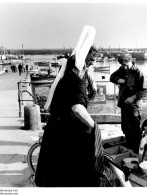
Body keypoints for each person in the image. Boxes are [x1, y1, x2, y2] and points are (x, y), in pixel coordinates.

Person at [34, 45, 103, 187]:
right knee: (73, 174)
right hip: (67, 132)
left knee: (55, 174)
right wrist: (94, 126)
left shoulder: (65, 77)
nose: (91, 64)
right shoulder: (77, 80)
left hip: (55, 129)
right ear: (82, 62)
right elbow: (77, 108)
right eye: (90, 61)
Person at [110, 53, 147, 153]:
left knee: (135, 129)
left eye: (126, 64)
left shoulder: (138, 72)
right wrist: (121, 80)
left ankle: (137, 151)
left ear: (131, 61)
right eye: (122, 65)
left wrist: (133, 97)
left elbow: (146, 90)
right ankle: (129, 148)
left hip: (134, 106)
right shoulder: (122, 70)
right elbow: (112, 77)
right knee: (126, 128)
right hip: (124, 105)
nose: (124, 67)